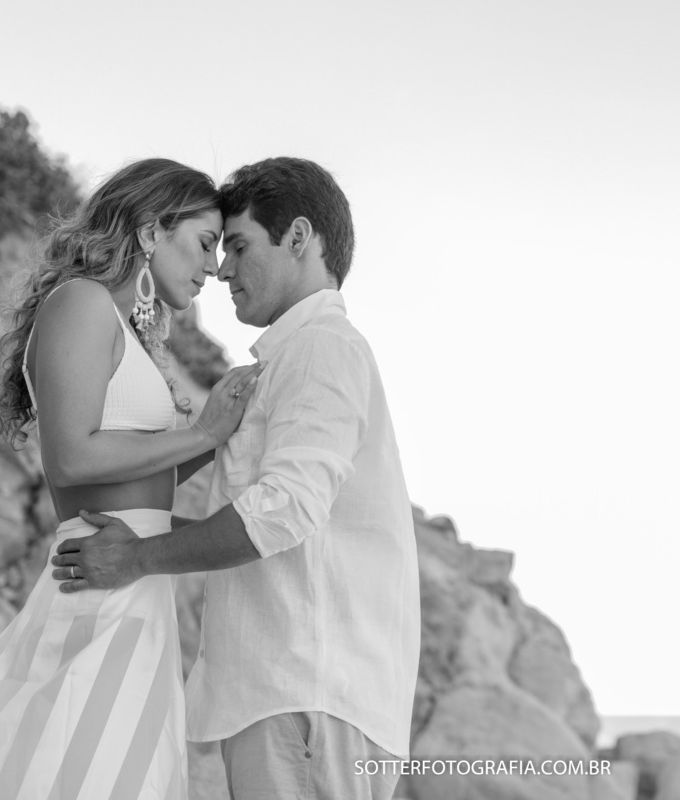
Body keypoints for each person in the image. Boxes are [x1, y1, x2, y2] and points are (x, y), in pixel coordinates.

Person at [52, 157, 421, 800]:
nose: (222, 269)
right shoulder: (292, 357)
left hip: (306, 695)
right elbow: (289, 523)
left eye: (239, 246)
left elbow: (282, 511)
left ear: (299, 238)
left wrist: (139, 556)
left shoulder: (321, 348)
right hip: (289, 693)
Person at [0, 158, 263, 800]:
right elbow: (71, 458)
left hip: (136, 592)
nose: (213, 267)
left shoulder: (126, 328)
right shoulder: (80, 301)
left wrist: (229, 432)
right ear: (152, 231)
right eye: (206, 243)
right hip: (97, 587)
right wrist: (204, 433)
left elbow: (146, 479)